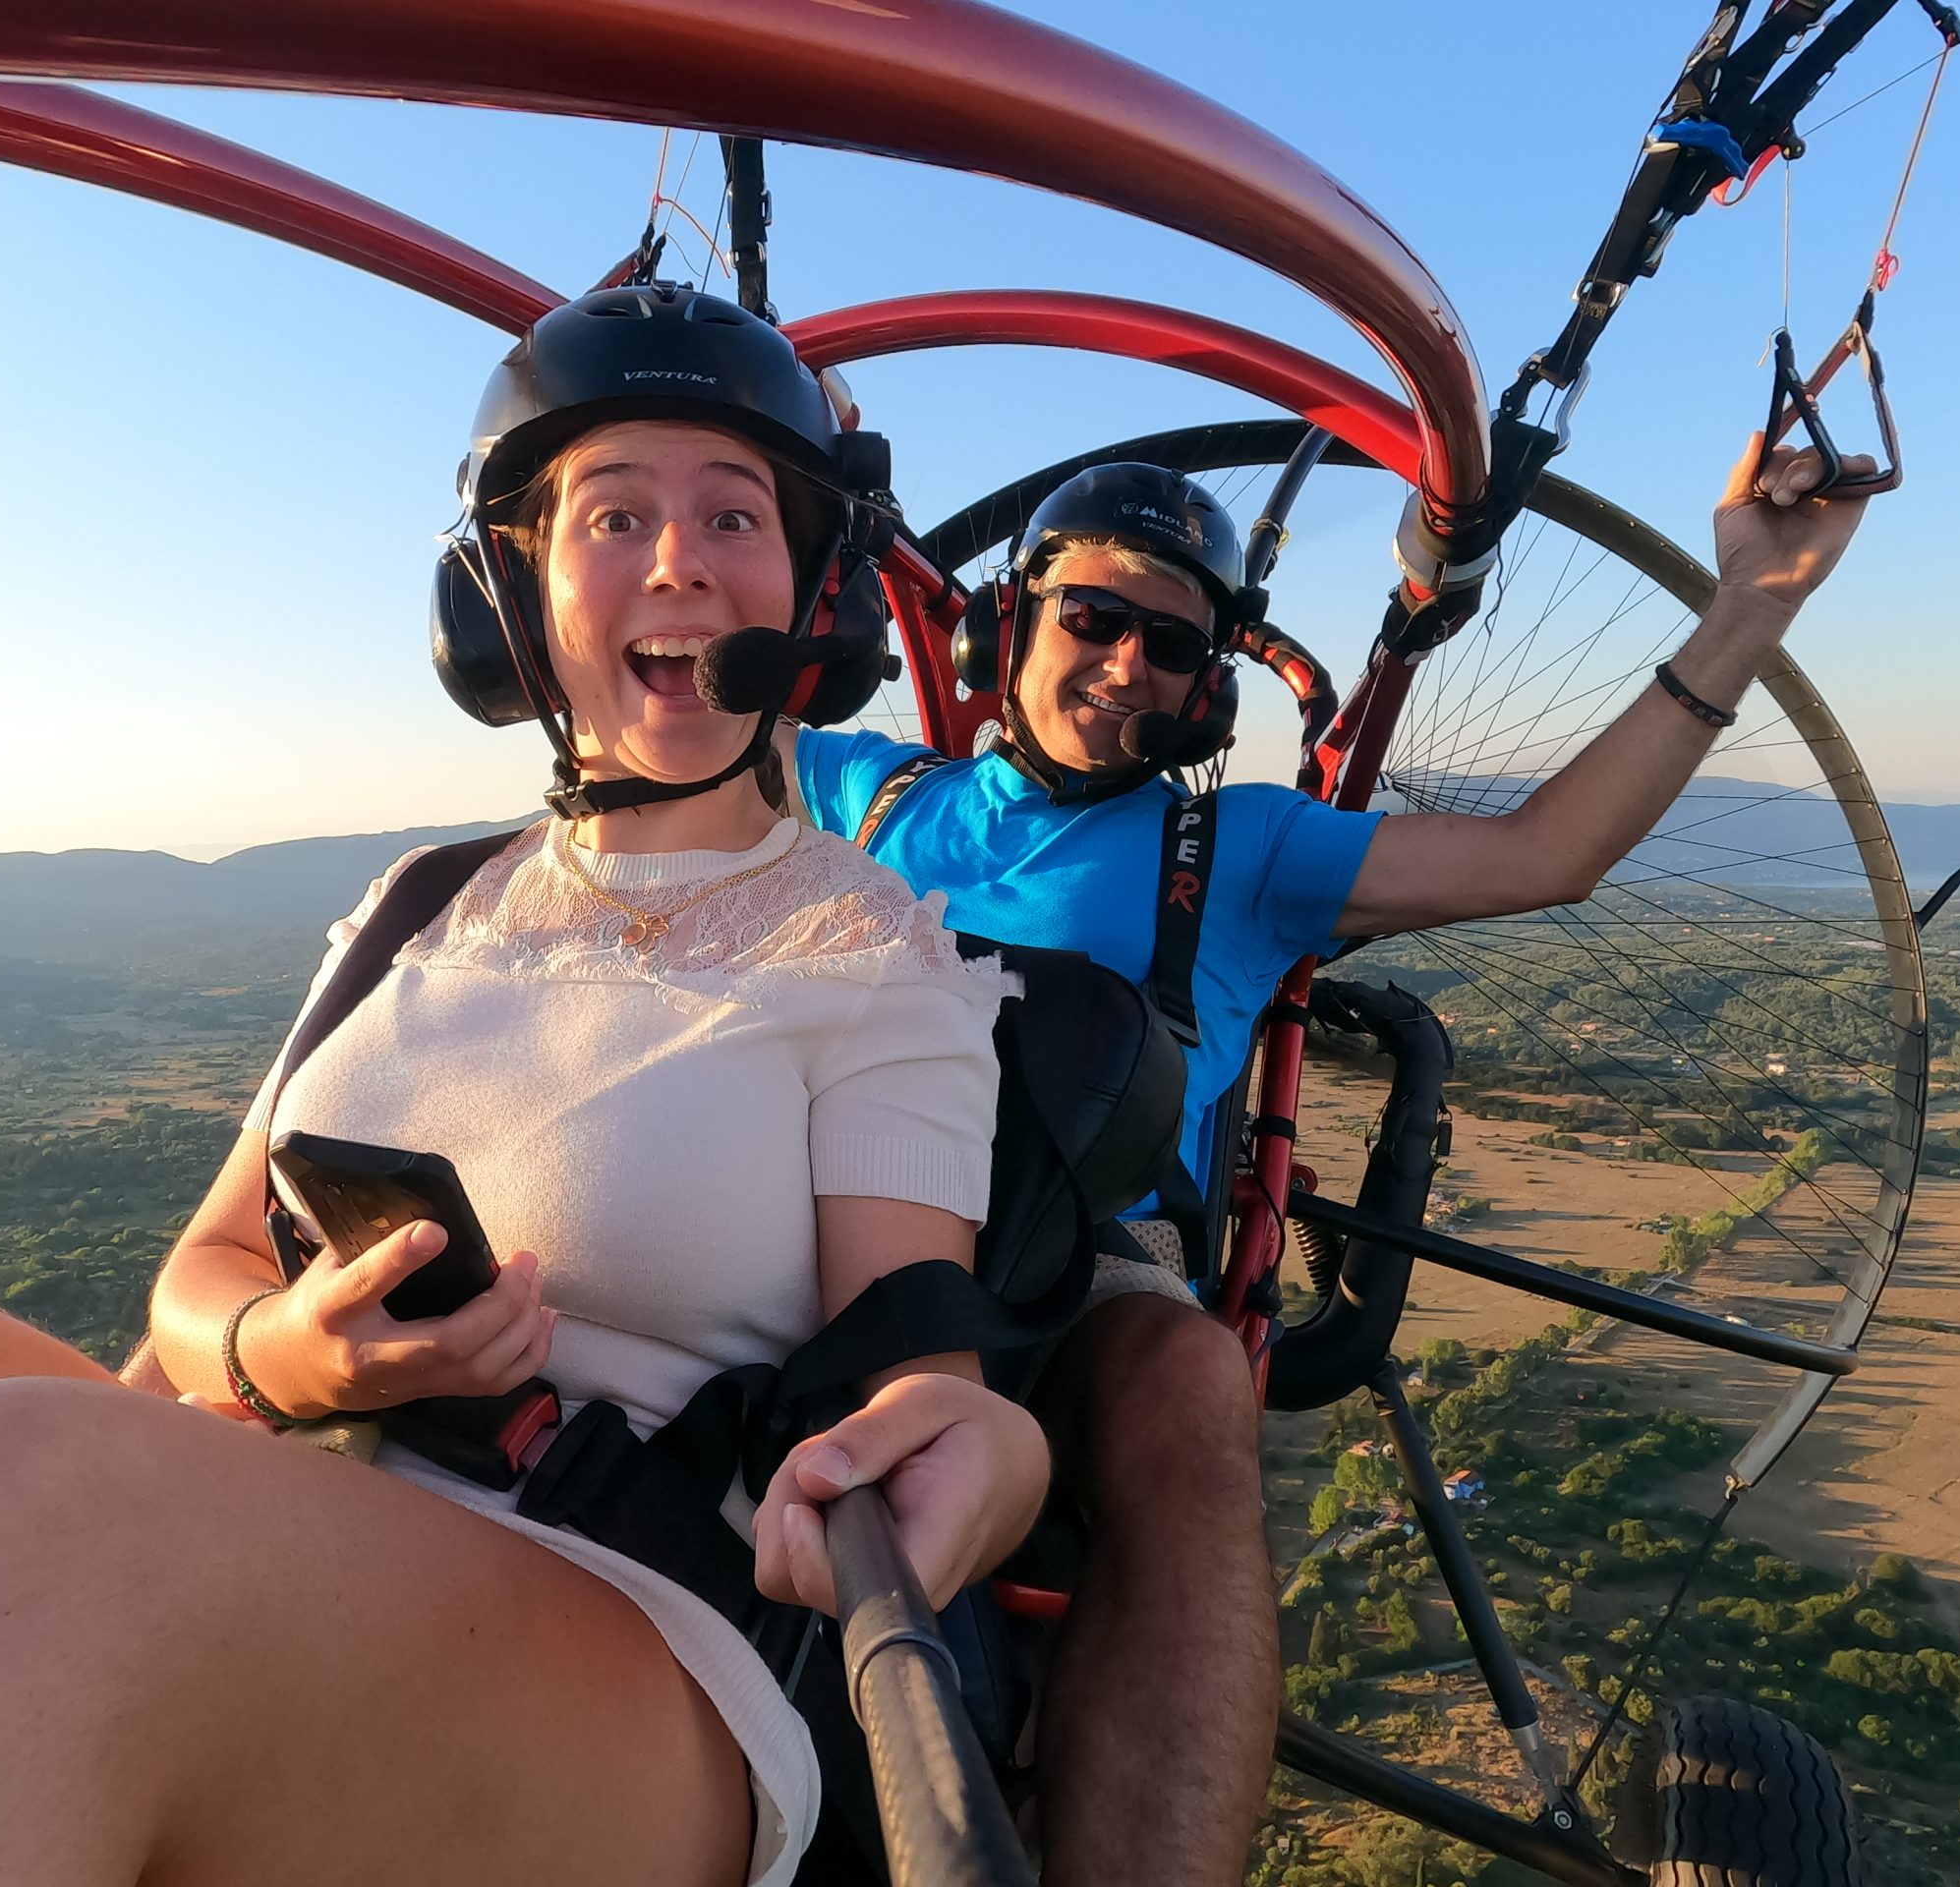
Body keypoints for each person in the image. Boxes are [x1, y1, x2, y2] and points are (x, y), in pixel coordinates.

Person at [0, 284, 1047, 1887]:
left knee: (13, 1503)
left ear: (813, 595)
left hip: (647, 1633)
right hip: (264, 1495)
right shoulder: (423, 902)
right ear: (513, 594)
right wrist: (287, 1353)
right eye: (615, 514)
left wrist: (989, 1454)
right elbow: (207, 1271)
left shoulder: (872, 951)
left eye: (734, 515)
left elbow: (916, 1376)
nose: (678, 558)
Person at [784, 434, 1876, 1887]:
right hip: (808, 1211)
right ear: (1009, 627)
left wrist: (1754, 606)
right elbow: (637, 758)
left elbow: (1545, 855)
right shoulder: (850, 792)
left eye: (1174, 645)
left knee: (1190, 1380)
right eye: (1094, 618)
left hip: (1080, 1262)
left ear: (1207, 689)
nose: (1126, 665)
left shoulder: (1237, 850)